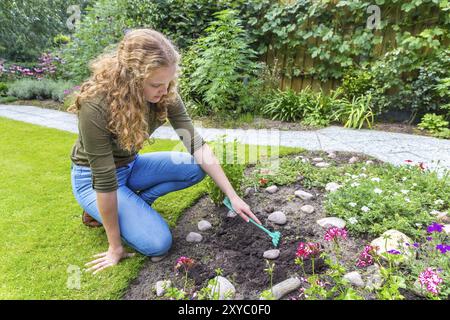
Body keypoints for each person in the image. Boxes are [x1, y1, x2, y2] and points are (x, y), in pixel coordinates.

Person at [68, 28, 262, 275]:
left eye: (169, 82)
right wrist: (114, 247)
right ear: (132, 78)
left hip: (131, 166)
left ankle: (137, 204)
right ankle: (101, 211)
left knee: (194, 167)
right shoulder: (95, 104)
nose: (165, 90)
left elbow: (196, 144)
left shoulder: (165, 93)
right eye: (156, 84)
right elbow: (104, 182)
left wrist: (233, 196)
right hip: (93, 180)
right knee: (158, 244)